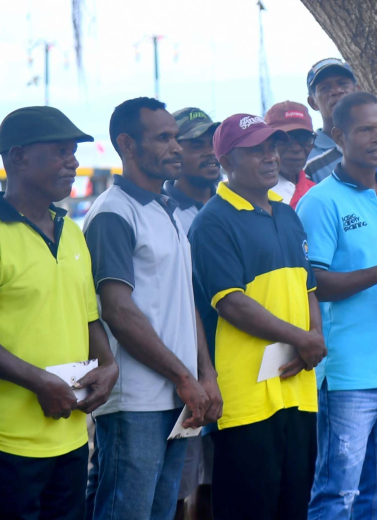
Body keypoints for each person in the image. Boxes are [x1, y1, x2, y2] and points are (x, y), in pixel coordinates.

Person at [0, 106, 119, 519]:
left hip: (70, 441)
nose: (74, 162)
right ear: (17, 157)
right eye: (61, 152)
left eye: (74, 152)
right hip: (5, 443)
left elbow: (88, 316)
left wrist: (108, 363)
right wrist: (40, 383)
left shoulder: (71, 230)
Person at [83, 97, 222, 520]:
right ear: (127, 144)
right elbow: (118, 312)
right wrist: (184, 377)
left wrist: (205, 375)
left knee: (163, 512)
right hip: (135, 401)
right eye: (163, 138)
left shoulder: (167, 211)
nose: (176, 148)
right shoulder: (113, 213)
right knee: (127, 512)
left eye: (176, 138)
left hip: (180, 397)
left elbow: (185, 303)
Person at [296, 92, 377, 519]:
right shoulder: (319, 201)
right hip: (348, 373)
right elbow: (312, 283)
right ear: (338, 136)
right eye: (365, 130)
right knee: (338, 493)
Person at [188, 113, 326, 520]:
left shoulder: (287, 213)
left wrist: (313, 338)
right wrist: (302, 339)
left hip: (296, 388)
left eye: (272, 147)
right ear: (227, 162)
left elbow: (309, 288)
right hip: (246, 396)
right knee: (249, 509)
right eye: (255, 151)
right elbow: (231, 303)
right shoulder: (212, 221)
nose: (270, 157)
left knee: (293, 507)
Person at [163, 107, 220, 520]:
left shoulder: (230, 207)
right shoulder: (163, 212)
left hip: (233, 365)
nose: (208, 152)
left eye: (211, 142)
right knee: (178, 489)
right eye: (195, 143)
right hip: (181, 371)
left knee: (216, 481)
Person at [163, 107, 221, 234]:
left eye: (214, 143)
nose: (211, 152)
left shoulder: (231, 205)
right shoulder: (164, 213)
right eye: (197, 146)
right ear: (174, 152)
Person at [304, 58, 359, 182]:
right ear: (313, 102)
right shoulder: (307, 158)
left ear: (357, 90)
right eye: (325, 88)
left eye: (343, 83)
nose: (336, 91)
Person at [265, 101, 316, 208]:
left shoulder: (317, 192)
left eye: (304, 138)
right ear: (267, 142)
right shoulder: (253, 196)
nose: (296, 148)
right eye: (286, 139)